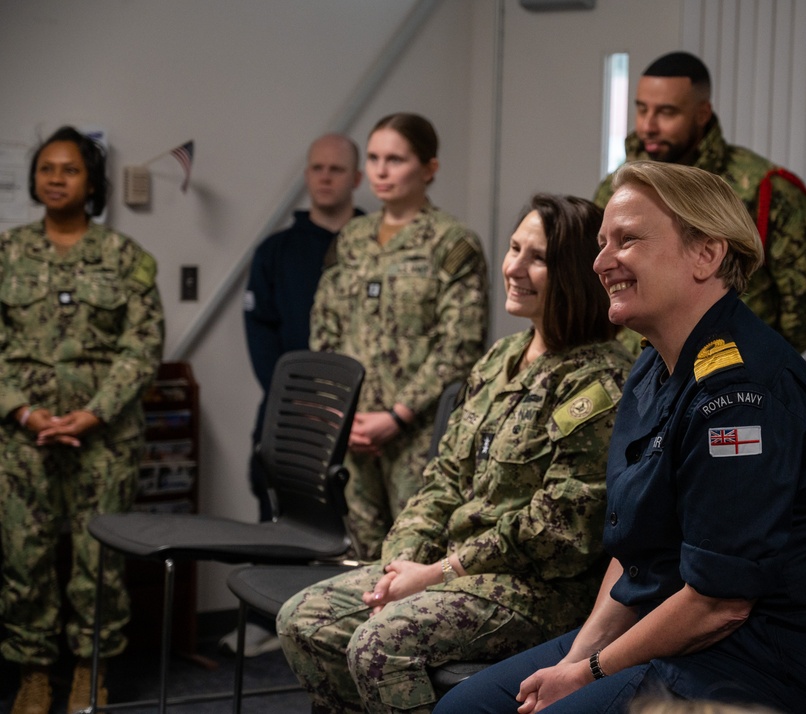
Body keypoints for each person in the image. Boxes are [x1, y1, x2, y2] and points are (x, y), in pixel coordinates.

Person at [435, 162, 806, 714]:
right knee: (465, 708)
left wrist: (589, 672)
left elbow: (720, 603)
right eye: (601, 244)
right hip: (663, 629)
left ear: (706, 254)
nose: (600, 262)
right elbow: (634, 554)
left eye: (628, 240)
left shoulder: (742, 394)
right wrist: (583, 658)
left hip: (760, 662)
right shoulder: (651, 368)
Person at [278, 194, 633, 714]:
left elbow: (558, 531)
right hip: (450, 565)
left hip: (532, 590)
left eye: (538, 258)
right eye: (515, 248)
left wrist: (439, 572)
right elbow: (443, 475)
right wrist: (400, 560)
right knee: (302, 620)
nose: (513, 267)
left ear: (575, 274)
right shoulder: (500, 358)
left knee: (379, 647)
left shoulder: (597, 381)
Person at [0, 127, 164, 714]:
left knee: (99, 564)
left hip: (106, 439)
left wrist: (93, 413)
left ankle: (90, 673)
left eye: (69, 170)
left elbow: (143, 344)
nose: (56, 179)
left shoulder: (125, 258)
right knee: (26, 561)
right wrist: (23, 409)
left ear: (90, 182)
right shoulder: (7, 253)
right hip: (22, 440)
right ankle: (33, 673)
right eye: (46, 168)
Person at [310, 113, 488, 560]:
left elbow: (460, 344)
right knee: (357, 556)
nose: (381, 171)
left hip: (418, 434)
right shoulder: (351, 238)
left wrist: (398, 415)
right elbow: (324, 328)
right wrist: (339, 411)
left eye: (396, 159)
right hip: (352, 429)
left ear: (429, 168)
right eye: (372, 159)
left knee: (413, 556)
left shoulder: (451, 242)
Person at [594, 52, 806, 355]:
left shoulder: (766, 188)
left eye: (667, 112)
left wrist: (756, 361)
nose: (648, 126)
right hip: (634, 372)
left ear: (702, 113)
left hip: (733, 372)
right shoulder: (616, 190)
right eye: (642, 110)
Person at [229, 134, 364, 658]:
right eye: (316, 168)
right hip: (293, 410)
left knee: (354, 519)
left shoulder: (372, 243)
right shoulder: (277, 250)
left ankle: (342, 626)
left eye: (336, 168)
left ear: (356, 178)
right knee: (275, 498)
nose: (325, 176)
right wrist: (300, 399)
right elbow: (262, 336)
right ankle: (267, 618)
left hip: (364, 415)